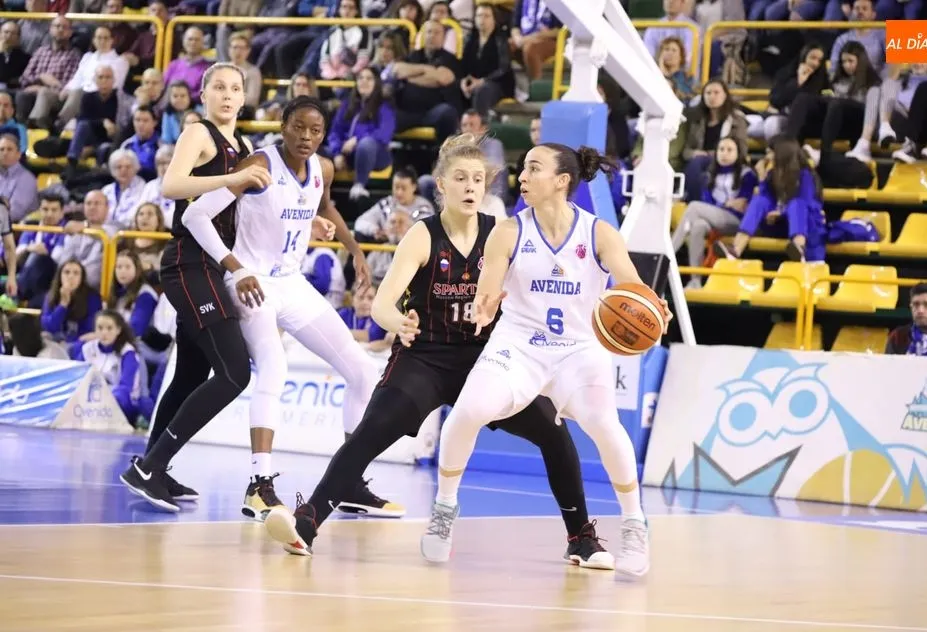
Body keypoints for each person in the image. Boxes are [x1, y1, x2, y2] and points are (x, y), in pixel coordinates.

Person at [261, 134, 617, 573]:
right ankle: (306, 524)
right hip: (425, 356)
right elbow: (386, 304)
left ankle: (581, 538)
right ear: (441, 186)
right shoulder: (422, 235)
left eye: (479, 179)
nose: (471, 186)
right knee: (370, 432)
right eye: (461, 178)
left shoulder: (505, 233)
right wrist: (397, 322)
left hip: (489, 360)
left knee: (555, 434)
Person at [418, 143, 673, 577]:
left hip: (578, 350)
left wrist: (652, 309)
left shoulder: (599, 234)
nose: (521, 176)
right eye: (523, 167)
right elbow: (488, 290)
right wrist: (483, 306)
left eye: (533, 168)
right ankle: (444, 510)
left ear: (561, 181)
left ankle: (634, 522)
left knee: (603, 424)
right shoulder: (508, 232)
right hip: (520, 346)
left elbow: (633, 290)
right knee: (468, 411)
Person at [177, 96, 393, 521]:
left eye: (316, 131)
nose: (307, 137)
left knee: (363, 370)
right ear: (283, 126)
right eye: (299, 128)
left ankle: (348, 480)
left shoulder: (323, 168)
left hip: (291, 282)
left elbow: (325, 203)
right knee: (274, 368)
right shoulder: (259, 165)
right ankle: (259, 485)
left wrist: (354, 248)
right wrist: (236, 269)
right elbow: (195, 217)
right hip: (251, 281)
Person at [119, 62, 269, 513]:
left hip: (214, 265)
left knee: (190, 375)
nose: (227, 95)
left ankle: (153, 465)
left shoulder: (246, 146)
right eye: (218, 87)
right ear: (204, 95)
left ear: (244, 98)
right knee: (235, 373)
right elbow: (171, 185)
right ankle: (149, 468)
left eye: (235, 89)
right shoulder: (198, 134)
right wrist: (230, 178)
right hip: (188, 263)